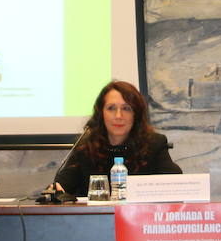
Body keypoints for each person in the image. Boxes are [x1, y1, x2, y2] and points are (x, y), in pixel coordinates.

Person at [52, 80, 181, 197]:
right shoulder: (86, 147)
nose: (118, 115)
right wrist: (55, 192)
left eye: (126, 108)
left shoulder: (153, 144)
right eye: (111, 108)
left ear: (136, 114)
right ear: (101, 113)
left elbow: (176, 185)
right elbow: (61, 187)